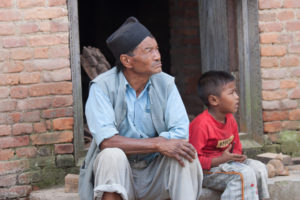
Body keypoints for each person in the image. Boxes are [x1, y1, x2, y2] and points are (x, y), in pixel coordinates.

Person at [79, 16, 203, 200]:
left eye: (157, 49)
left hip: (156, 172)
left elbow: (180, 132)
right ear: (127, 61)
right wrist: (157, 143)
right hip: (121, 173)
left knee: (183, 153)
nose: (158, 56)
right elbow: (107, 141)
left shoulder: (166, 84)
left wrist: (163, 144)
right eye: (149, 51)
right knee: (112, 155)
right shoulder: (102, 87)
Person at [189, 70, 270, 200]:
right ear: (214, 100)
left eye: (236, 92)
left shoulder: (230, 119)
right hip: (206, 172)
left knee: (259, 168)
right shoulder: (201, 125)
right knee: (243, 174)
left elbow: (236, 146)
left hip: (227, 165)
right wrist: (221, 160)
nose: (237, 96)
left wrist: (237, 157)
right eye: (231, 93)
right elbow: (193, 162)